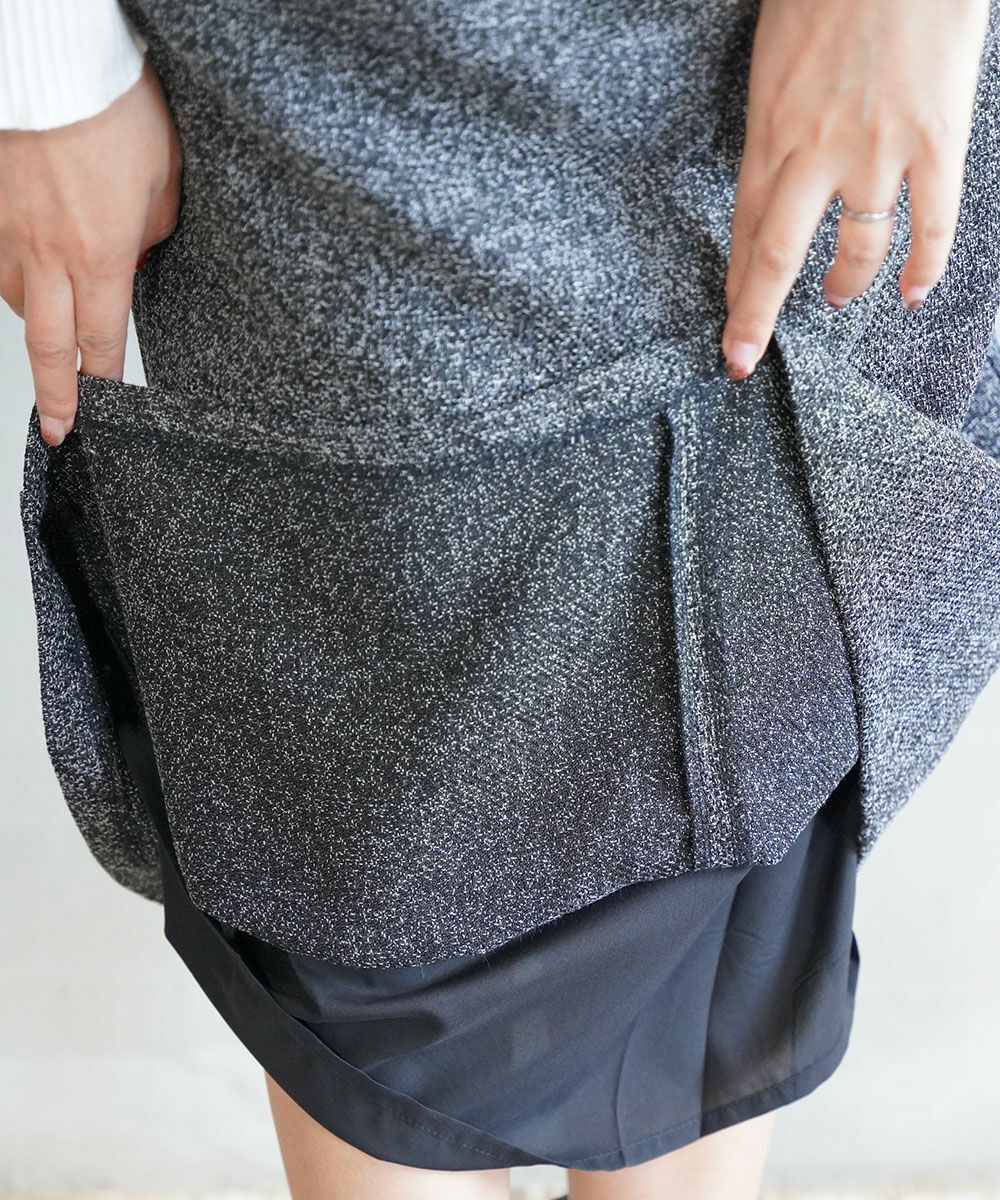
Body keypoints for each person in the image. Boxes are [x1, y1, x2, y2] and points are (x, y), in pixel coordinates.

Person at [3, 1, 998, 1198]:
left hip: (785, 87)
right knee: (369, 915)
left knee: (724, 868)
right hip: (336, 127)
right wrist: (40, 77)